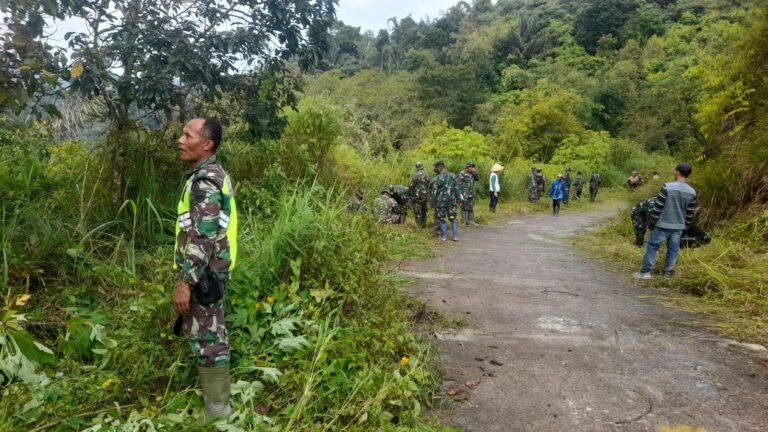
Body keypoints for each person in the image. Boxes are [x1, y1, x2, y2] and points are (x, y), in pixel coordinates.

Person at [173, 117, 237, 421]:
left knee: (209, 341)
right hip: (213, 271)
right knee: (213, 334)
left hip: (204, 275)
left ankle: (218, 411)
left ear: (207, 144)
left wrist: (186, 281)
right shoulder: (215, 174)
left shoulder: (204, 182)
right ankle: (218, 406)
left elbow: (203, 235)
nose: (180, 140)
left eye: (188, 135)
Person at [633, 163, 697, 279]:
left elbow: (658, 207)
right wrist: (685, 227)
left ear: (677, 172)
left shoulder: (667, 187)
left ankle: (645, 272)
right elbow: (689, 213)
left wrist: (651, 223)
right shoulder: (692, 192)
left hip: (662, 224)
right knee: (673, 250)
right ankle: (667, 273)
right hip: (678, 226)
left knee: (652, 247)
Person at [432, 160, 462, 241]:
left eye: (436, 168)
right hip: (451, 201)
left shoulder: (437, 178)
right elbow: (457, 188)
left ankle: (443, 237)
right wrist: (459, 200)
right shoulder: (453, 176)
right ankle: (455, 236)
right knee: (453, 219)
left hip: (440, 202)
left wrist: (433, 203)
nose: (435, 170)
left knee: (441, 219)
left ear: (440, 167)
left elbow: (434, 192)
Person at [457, 160, 481, 226]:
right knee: (464, 207)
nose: (471, 168)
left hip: (471, 193)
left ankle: (471, 221)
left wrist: (475, 173)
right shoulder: (462, 173)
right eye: (470, 167)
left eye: (472, 167)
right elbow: (458, 184)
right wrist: (460, 194)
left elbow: (478, 179)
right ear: (467, 167)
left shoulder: (473, 174)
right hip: (464, 194)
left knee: (471, 207)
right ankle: (464, 222)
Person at [410, 162, 430, 227]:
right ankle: (424, 225)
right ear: (422, 167)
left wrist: (411, 196)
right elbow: (429, 184)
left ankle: (419, 227)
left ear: (416, 168)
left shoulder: (415, 176)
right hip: (425, 197)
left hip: (417, 197)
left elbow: (411, 186)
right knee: (424, 211)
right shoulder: (426, 175)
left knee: (418, 212)